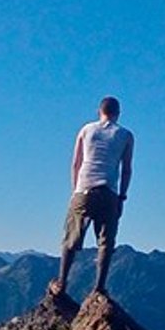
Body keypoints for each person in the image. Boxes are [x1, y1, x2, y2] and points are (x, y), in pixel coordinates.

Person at [50, 96, 134, 298]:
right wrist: (122, 196)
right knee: (105, 242)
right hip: (108, 192)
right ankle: (99, 288)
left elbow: (76, 164)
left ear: (99, 111)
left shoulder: (86, 130)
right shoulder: (125, 135)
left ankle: (62, 282)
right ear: (118, 113)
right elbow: (127, 170)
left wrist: (75, 191)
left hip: (84, 189)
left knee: (71, 238)